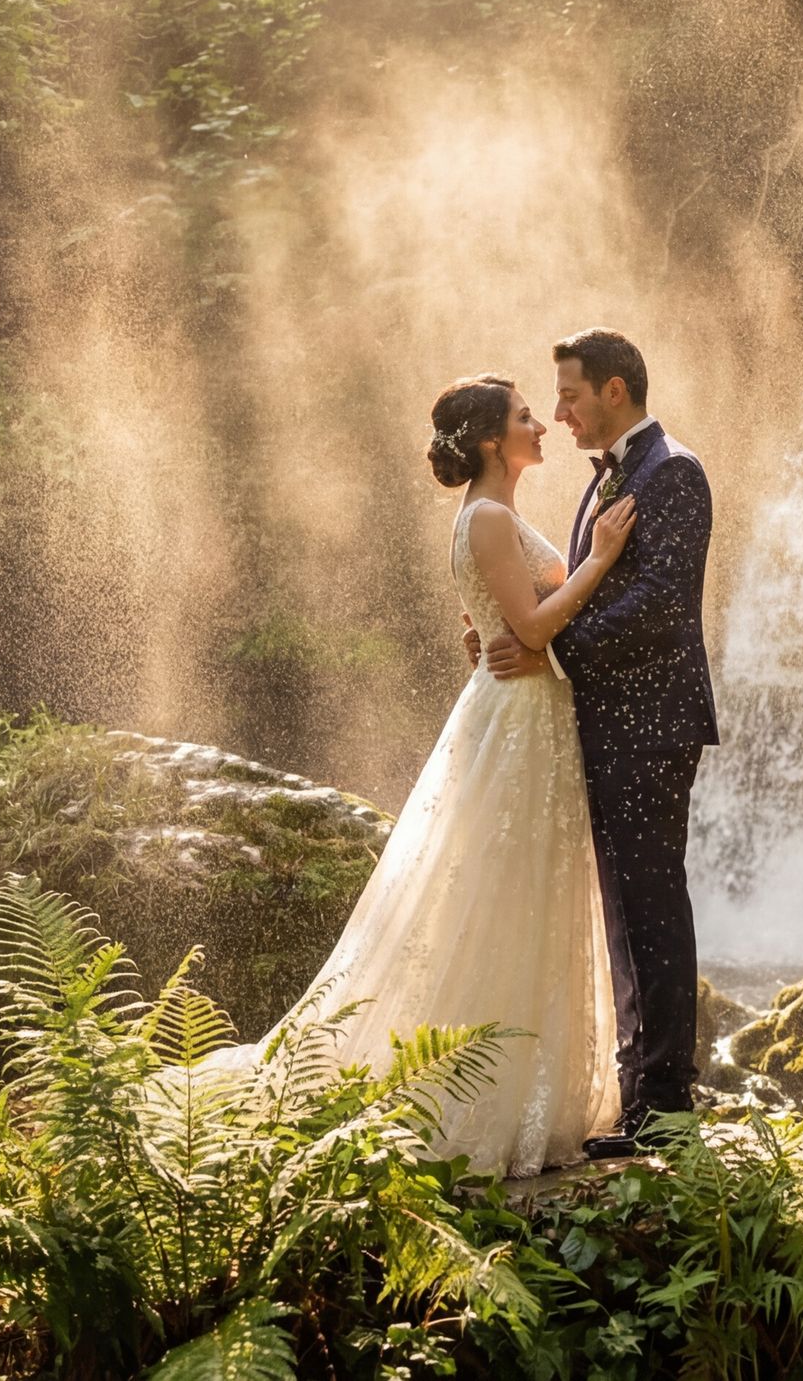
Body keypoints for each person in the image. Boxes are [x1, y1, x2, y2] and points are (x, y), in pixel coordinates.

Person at [283, 371, 636, 1175]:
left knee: (527, 897)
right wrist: (605, 555)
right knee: (503, 896)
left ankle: (533, 1084)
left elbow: (510, 622)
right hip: (516, 724)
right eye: (522, 417)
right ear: (488, 440)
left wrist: (495, 634)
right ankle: (481, 1094)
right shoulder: (484, 517)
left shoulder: (496, 514)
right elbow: (536, 622)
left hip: (527, 716)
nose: (541, 425)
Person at [472, 328, 716, 1156]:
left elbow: (659, 600)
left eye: (570, 393)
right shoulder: (613, 478)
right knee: (625, 913)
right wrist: (511, 633)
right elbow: (569, 588)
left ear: (615, 390)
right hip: (610, 725)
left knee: (652, 907)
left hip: (652, 728)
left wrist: (551, 648)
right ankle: (639, 1097)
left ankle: (668, 1108)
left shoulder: (672, 471)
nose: (559, 411)